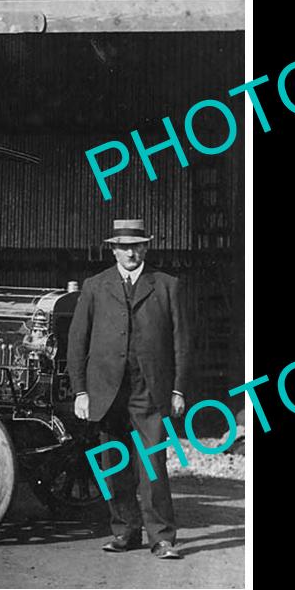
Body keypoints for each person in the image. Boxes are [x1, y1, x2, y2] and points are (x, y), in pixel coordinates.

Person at [67, 218, 191, 560]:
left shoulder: (167, 285)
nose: (130, 252)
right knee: (114, 463)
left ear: (146, 247)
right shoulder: (95, 286)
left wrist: (178, 390)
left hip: (150, 390)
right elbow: (77, 342)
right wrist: (81, 391)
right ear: (114, 250)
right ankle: (124, 532)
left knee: (152, 463)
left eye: (136, 245)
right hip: (107, 391)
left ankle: (162, 538)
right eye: (123, 246)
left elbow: (182, 343)